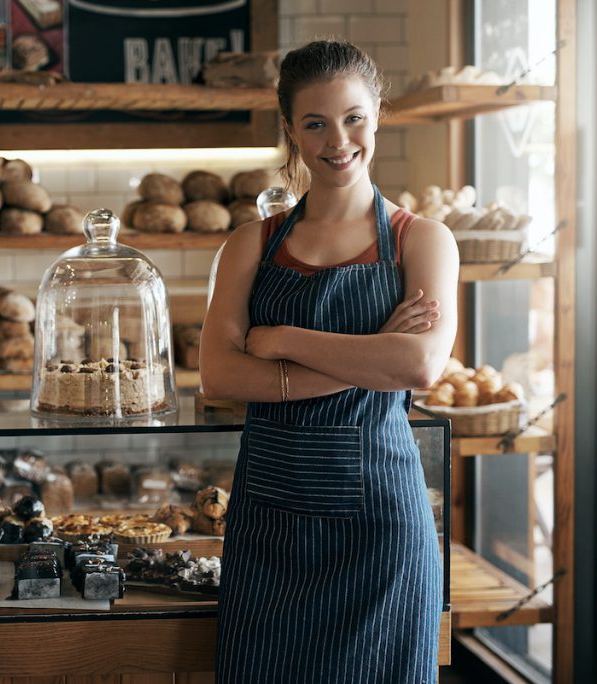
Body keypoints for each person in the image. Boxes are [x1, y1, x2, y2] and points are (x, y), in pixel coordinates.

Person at [200, 40, 459, 683]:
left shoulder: (422, 241)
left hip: (382, 530)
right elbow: (220, 376)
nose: (337, 140)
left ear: (377, 114)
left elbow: (420, 366)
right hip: (269, 530)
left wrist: (285, 339)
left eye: (353, 118)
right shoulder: (251, 244)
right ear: (290, 129)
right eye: (314, 123)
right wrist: (373, 355)